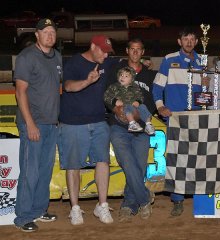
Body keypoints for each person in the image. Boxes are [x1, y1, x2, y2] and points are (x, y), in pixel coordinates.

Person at [59, 35, 117, 225]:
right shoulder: (74, 62)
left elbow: (124, 68)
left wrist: (143, 63)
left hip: (99, 121)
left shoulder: (106, 63)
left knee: (103, 161)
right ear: (93, 47)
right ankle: (75, 208)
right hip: (73, 122)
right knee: (73, 165)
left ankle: (102, 205)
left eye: (108, 52)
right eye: (103, 51)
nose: (106, 56)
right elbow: (67, 87)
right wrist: (87, 81)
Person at [13, 18, 62, 232]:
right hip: (33, 124)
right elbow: (20, 92)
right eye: (45, 32)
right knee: (30, 171)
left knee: (44, 171)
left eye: (52, 32)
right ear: (37, 35)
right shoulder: (27, 57)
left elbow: (54, 90)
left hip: (51, 124)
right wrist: (30, 124)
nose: (49, 35)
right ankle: (23, 217)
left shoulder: (57, 57)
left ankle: (39, 210)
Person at [152, 27, 204, 216]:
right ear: (179, 41)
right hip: (175, 118)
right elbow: (157, 86)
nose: (189, 42)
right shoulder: (169, 59)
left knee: (198, 159)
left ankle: (200, 197)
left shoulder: (201, 61)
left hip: (197, 118)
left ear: (196, 42)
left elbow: (205, 92)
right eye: (185, 38)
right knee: (177, 160)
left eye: (192, 38)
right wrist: (160, 106)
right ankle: (177, 200)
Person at [105, 38, 156, 222]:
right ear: (127, 51)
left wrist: (140, 113)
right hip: (118, 127)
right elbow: (107, 94)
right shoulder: (116, 71)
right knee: (127, 162)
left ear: (143, 52)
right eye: (132, 49)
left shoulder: (149, 75)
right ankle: (144, 198)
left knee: (139, 167)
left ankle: (128, 205)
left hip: (141, 129)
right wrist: (115, 109)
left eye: (138, 49)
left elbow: (152, 101)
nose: (135, 52)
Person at [104, 66, 155, 134]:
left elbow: (140, 96)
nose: (122, 77)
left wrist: (138, 101)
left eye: (126, 76)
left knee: (143, 106)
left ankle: (148, 125)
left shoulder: (135, 87)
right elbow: (106, 95)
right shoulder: (114, 86)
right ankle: (132, 124)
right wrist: (114, 101)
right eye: (121, 75)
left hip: (134, 109)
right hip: (121, 111)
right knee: (128, 106)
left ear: (131, 79)